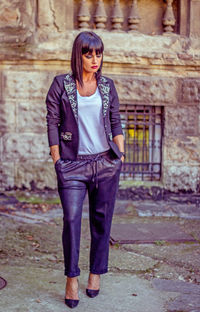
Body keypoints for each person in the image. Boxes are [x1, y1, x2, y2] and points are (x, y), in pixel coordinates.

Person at [46, 31, 125, 309]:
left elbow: (116, 121)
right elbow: (52, 122)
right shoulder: (61, 85)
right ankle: (71, 278)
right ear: (78, 54)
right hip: (72, 166)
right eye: (88, 53)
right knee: (71, 220)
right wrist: (58, 160)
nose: (95, 59)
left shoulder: (107, 86)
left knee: (102, 222)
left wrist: (120, 155)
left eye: (99, 53)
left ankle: (95, 273)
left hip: (105, 163)